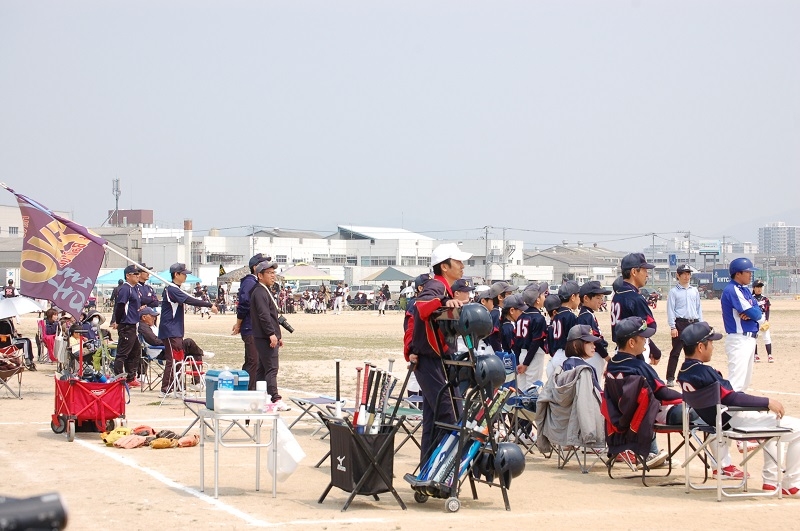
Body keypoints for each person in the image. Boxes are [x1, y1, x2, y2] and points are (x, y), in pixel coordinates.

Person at [677, 321, 800, 490]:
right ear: (700, 347)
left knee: (771, 425)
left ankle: (771, 482)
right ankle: (791, 484)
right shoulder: (703, 372)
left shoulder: (684, 372)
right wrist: (766, 402)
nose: (713, 347)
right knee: (797, 429)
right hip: (732, 420)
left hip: (717, 420)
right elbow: (732, 398)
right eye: (711, 343)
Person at [409, 242, 472, 464]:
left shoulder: (443, 288)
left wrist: (446, 300)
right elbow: (422, 306)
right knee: (449, 414)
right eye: (458, 262)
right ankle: (445, 468)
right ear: (444, 266)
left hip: (434, 361)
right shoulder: (436, 285)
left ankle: (427, 469)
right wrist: (443, 301)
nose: (462, 266)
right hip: (431, 361)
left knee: (432, 420)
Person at [607, 316, 685, 467]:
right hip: (645, 418)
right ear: (631, 343)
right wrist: (686, 398)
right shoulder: (639, 366)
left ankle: (652, 453)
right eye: (643, 338)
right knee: (697, 412)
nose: (645, 341)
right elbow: (662, 393)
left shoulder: (612, 365)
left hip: (621, 418)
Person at [158, 263, 217, 397]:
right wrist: (209, 305)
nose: (185, 276)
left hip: (176, 330)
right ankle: (166, 389)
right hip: (170, 330)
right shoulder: (172, 290)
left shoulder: (177, 289)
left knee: (178, 359)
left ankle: (177, 388)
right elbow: (190, 300)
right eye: (183, 274)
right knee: (173, 360)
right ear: (176, 274)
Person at [720, 257, 767, 392]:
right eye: (748, 272)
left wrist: (754, 314)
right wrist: (755, 315)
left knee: (744, 383)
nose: (751, 275)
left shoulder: (745, 290)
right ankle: (724, 406)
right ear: (738, 273)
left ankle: (737, 406)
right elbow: (756, 315)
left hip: (749, 339)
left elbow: (757, 311)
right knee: (736, 383)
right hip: (739, 339)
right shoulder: (732, 289)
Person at [250, 260, 291, 411]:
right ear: (260, 275)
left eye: (274, 273)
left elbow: (272, 316)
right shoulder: (259, 291)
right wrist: (271, 334)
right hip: (265, 336)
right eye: (269, 273)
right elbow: (264, 315)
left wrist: (277, 335)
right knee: (272, 369)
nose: (273, 276)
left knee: (262, 369)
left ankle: (260, 396)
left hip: (265, 336)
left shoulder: (264, 290)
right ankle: (275, 398)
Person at [139, 307, 213, 389]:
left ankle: (196, 383)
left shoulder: (151, 326)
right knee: (188, 342)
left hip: (166, 349)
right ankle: (202, 353)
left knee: (194, 355)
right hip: (161, 353)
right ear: (144, 317)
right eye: (152, 316)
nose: (154, 318)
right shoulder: (143, 327)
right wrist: (170, 342)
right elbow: (155, 341)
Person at [610, 253, 662, 364]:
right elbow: (649, 327)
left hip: (620, 350)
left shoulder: (617, 295)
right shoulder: (635, 298)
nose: (647, 275)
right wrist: (655, 351)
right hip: (636, 352)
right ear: (634, 272)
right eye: (644, 270)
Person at [232, 253, 271, 390]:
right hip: (250, 327)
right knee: (253, 361)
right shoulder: (250, 282)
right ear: (255, 267)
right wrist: (239, 324)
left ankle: (251, 388)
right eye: (263, 264)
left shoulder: (256, 283)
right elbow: (244, 304)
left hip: (255, 327)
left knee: (255, 361)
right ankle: (247, 390)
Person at [665, 264, 702, 387]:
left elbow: (698, 308)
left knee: (694, 352)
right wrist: (673, 326)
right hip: (680, 323)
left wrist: (700, 324)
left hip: (693, 322)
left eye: (688, 274)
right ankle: (670, 378)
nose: (687, 276)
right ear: (678, 275)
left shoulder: (694, 290)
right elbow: (670, 310)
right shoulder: (674, 292)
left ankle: (691, 377)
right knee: (676, 352)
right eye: (684, 274)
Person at [112, 265, 143, 387]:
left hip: (133, 324)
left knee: (135, 351)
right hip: (126, 325)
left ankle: (130, 377)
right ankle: (119, 378)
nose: (138, 276)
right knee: (122, 353)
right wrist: (119, 321)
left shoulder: (134, 288)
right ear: (128, 276)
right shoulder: (125, 289)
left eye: (138, 273)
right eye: (135, 274)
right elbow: (120, 306)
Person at [576, 281, 612, 381]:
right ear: (586, 298)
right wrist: (607, 357)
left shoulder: (587, 314)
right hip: (593, 355)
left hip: (593, 355)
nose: (601, 301)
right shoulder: (586, 316)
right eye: (598, 298)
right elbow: (595, 340)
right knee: (593, 385)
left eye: (602, 298)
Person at [546, 281, 580, 379]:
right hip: (565, 356)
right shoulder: (570, 316)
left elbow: (550, 338)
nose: (579, 299)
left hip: (555, 355)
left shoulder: (556, 316)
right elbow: (573, 340)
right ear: (573, 297)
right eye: (578, 296)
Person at [563, 324, 602, 389]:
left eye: (593, 343)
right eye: (588, 342)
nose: (594, 346)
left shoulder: (567, 363)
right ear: (575, 345)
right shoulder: (583, 367)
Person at [752, 280, 773, 363]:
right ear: (754, 288)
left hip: (763, 318)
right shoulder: (751, 298)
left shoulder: (765, 299)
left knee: (767, 337)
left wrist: (767, 320)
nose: (759, 289)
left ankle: (770, 355)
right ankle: (756, 355)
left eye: (760, 287)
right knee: (753, 338)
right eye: (757, 287)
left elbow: (767, 310)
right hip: (754, 320)